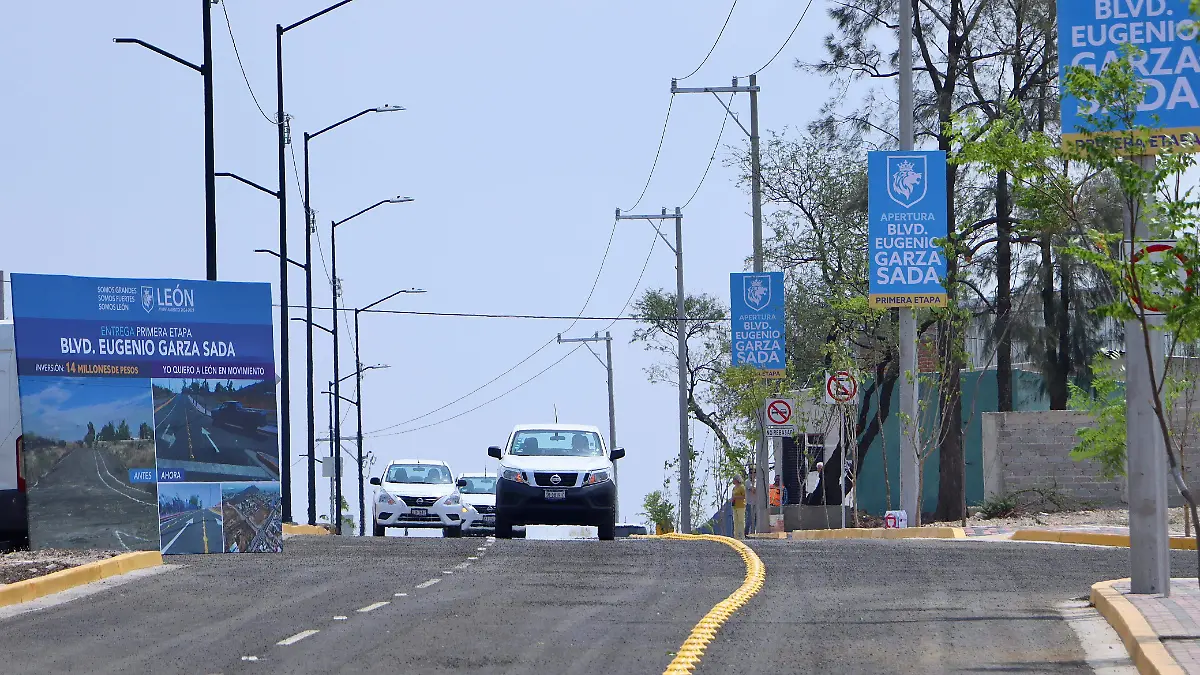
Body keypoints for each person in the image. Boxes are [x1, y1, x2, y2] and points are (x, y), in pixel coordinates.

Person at [730, 475, 746, 540]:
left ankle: (742, 536)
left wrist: (736, 497)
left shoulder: (742, 487)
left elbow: (744, 496)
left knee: (741, 521)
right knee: (735, 521)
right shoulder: (734, 488)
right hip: (735, 506)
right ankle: (736, 536)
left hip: (741, 506)